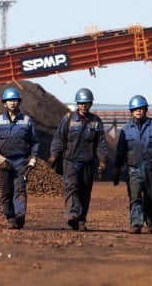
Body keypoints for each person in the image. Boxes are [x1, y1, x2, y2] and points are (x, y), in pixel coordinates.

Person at [46, 87, 109, 231]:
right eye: (80, 103)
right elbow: (59, 138)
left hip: (87, 162)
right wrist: (54, 155)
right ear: (77, 104)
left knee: (85, 191)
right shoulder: (68, 119)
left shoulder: (96, 121)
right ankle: (72, 215)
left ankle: (81, 220)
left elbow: (101, 143)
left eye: (86, 102)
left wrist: (103, 160)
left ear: (91, 103)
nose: (83, 105)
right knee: (71, 187)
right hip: (70, 161)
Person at [112, 94, 152, 234]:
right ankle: (136, 223)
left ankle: (151, 222)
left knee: (151, 196)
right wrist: (117, 168)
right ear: (131, 111)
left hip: (151, 168)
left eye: (141, 108)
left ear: (146, 109)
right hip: (133, 169)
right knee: (135, 197)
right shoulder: (126, 129)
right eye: (135, 109)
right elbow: (121, 151)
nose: (138, 111)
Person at [0, 87, 39, 229]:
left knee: (20, 189)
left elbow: (35, 142)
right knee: (6, 191)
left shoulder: (27, 121)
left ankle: (19, 214)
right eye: (9, 100)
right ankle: (10, 217)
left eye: (14, 100)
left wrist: (33, 158)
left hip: (21, 161)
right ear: (4, 103)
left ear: (19, 102)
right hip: (4, 161)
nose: (12, 103)